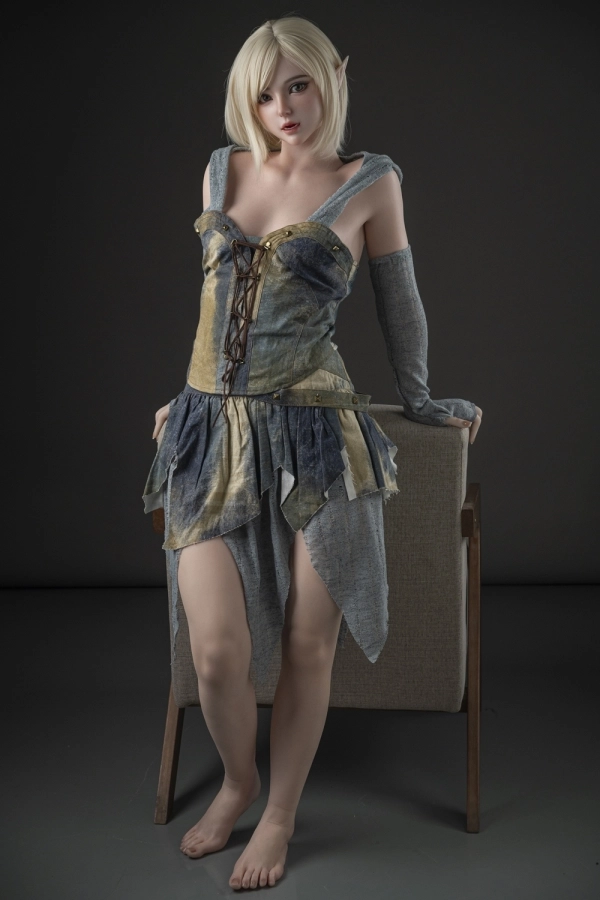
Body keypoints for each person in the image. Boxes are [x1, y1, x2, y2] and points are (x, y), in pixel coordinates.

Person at [142, 14, 482, 891]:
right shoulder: (221, 168)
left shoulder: (371, 180)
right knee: (216, 652)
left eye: (298, 84)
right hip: (212, 434)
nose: (283, 107)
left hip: (317, 432)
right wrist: (189, 395)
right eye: (264, 93)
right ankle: (239, 783)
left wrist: (420, 400)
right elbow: (215, 305)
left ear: (333, 75)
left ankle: (281, 814)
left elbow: (399, 305)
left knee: (307, 642)